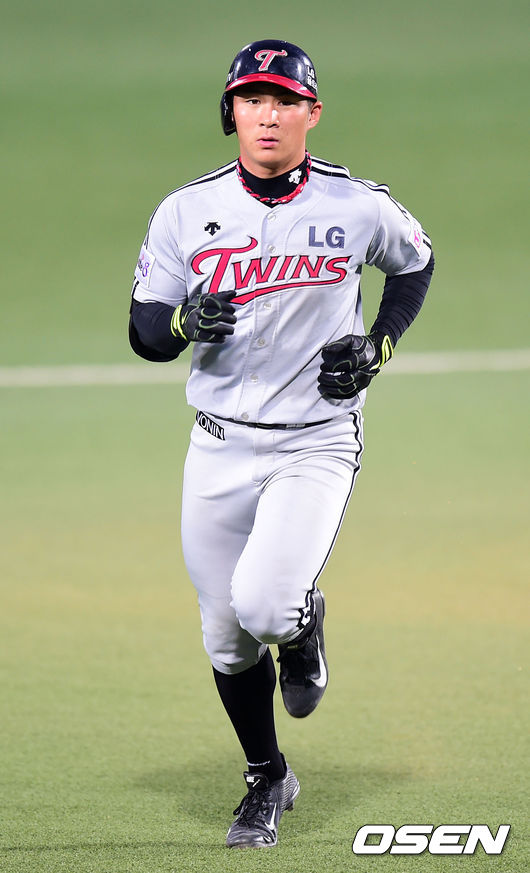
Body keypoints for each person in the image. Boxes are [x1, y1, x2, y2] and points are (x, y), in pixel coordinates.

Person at [128, 38, 434, 849]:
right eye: (252, 99)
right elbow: (145, 330)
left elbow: (415, 262)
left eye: (285, 100)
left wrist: (379, 345)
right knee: (225, 638)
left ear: (312, 113)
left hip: (315, 442)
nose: (268, 114)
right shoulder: (185, 211)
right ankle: (268, 776)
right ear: (229, 111)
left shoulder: (357, 204)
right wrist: (185, 322)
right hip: (217, 446)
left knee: (263, 605)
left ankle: (298, 624)